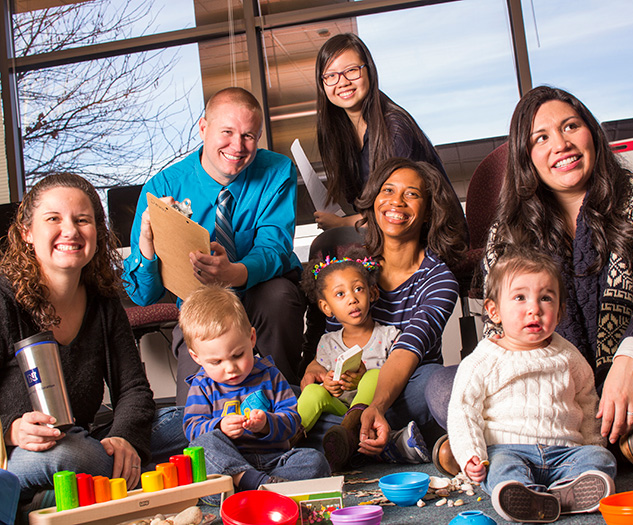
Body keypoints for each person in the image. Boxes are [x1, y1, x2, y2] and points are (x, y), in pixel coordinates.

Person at [0, 173, 187, 509]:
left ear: (97, 234)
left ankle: (70, 495)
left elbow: (133, 389)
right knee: (71, 451)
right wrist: (9, 430)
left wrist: (125, 437)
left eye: (82, 220)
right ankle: (132, 482)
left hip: (90, 440)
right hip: (23, 455)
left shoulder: (102, 298)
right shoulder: (3, 298)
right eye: (53, 219)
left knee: (196, 420)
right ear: (27, 232)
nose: (70, 230)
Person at [484, 85, 633, 465]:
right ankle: (610, 443)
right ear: (527, 157)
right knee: (444, 387)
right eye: (542, 137)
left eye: (571, 126)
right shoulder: (507, 233)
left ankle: (531, 452)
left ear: (592, 133)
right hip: (551, 391)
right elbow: (498, 333)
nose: (561, 144)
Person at [122, 87, 305, 401]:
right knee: (190, 418)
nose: (237, 146)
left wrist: (232, 273)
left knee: (279, 296)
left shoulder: (277, 171)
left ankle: (289, 408)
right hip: (200, 309)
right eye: (227, 132)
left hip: (262, 295)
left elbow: (274, 247)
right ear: (203, 128)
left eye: (249, 136)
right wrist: (147, 243)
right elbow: (143, 295)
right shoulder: (164, 186)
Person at [307, 156, 467, 459]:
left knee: (440, 382)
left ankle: (349, 437)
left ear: (428, 211)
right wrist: (320, 372)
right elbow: (333, 340)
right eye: (388, 191)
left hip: (407, 388)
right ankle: (389, 443)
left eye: (412, 194)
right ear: (374, 200)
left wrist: (376, 405)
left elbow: (408, 348)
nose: (397, 202)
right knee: (290, 398)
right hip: (349, 396)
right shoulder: (351, 268)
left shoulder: (439, 280)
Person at [449, 249, 616, 523]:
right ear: (494, 311)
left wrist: (592, 444)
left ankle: (568, 491)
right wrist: (471, 454)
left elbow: (587, 401)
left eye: (546, 298)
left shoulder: (568, 356)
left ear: (560, 311)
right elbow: (463, 411)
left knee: (601, 458)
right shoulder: (483, 359)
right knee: (500, 469)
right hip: (507, 448)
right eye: (520, 297)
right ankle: (523, 494)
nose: (534, 308)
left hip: (566, 451)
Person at [180, 285, 330, 492]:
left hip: (274, 461)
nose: (230, 368)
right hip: (228, 469)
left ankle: (258, 488)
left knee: (315, 460)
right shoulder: (202, 385)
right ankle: (252, 482)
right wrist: (220, 426)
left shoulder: (269, 375)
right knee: (203, 445)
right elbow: (192, 428)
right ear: (196, 357)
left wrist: (267, 423)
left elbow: (293, 421)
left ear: (251, 338)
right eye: (216, 362)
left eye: (237, 355)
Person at [313, 32, 464, 231]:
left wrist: (342, 224)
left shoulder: (394, 130)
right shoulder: (340, 135)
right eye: (331, 75)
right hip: (389, 237)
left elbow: (399, 209)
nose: (342, 82)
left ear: (369, 71)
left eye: (351, 71)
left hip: (431, 238)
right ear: (322, 84)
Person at [298, 250, 429, 471]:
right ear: (326, 307)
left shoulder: (389, 336)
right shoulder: (327, 342)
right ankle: (288, 440)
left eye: (358, 289)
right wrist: (328, 384)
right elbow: (321, 378)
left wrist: (362, 381)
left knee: (375, 374)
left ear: (373, 293)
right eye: (340, 294)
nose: (352, 298)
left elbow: (397, 378)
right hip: (340, 408)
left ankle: (349, 433)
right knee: (312, 392)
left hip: (376, 411)